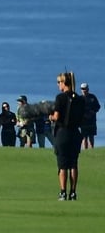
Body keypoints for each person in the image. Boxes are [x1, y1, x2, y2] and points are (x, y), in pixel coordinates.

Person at [51, 70, 85, 200]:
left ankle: (63, 191)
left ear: (64, 83)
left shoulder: (60, 98)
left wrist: (51, 117)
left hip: (63, 133)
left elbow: (57, 116)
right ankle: (73, 192)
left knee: (62, 165)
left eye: (59, 82)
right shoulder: (80, 99)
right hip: (75, 133)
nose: (58, 85)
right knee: (73, 164)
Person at [80, 83, 100, 149]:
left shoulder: (92, 97)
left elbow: (98, 106)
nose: (84, 90)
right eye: (82, 89)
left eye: (85, 89)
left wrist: (93, 112)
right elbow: (76, 109)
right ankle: (85, 151)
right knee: (84, 137)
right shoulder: (79, 99)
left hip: (92, 120)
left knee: (91, 136)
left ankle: (92, 149)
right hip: (83, 121)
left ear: (88, 89)